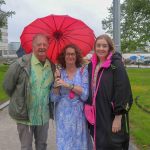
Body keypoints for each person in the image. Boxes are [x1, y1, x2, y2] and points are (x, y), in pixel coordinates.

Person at [3, 33, 55, 150]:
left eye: (44, 44)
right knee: (26, 147)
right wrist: (19, 101)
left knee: (42, 145)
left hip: (43, 115)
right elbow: (7, 86)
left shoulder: (51, 65)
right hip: (25, 116)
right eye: (39, 44)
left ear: (48, 46)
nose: (42, 47)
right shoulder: (20, 64)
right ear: (33, 46)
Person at [86, 34, 133, 150]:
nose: (101, 49)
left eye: (104, 46)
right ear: (94, 47)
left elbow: (123, 89)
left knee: (112, 143)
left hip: (111, 114)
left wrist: (118, 117)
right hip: (97, 112)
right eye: (98, 46)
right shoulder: (92, 65)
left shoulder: (115, 65)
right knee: (99, 142)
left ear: (110, 48)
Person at [50, 44, 93, 150]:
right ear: (64, 57)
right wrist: (56, 83)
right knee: (64, 143)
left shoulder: (82, 72)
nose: (70, 56)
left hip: (78, 114)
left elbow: (85, 94)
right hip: (62, 115)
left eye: (72, 54)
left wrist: (67, 85)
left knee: (79, 143)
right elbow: (53, 98)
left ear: (76, 56)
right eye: (67, 54)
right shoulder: (59, 73)